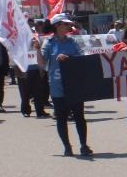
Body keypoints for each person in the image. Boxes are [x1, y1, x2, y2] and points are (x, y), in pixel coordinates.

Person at [37, 13, 91, 156]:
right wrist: (37, 49)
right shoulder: (49, 43)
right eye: (66, 24)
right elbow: (42, 64)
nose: (69, 26)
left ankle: (84, 145)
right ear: (57, 26)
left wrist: (69, 58)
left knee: (79, 116)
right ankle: (67, 146)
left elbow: (82, 57)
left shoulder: (72, 42)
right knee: (61, 118)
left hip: (74, 85)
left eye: (69, 24)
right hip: (57, 86)